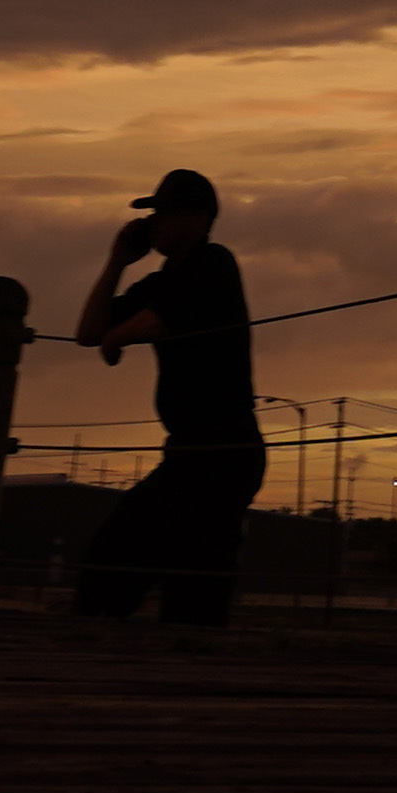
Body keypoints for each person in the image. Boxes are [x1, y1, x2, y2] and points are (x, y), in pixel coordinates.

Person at [70, 170, 263, 627]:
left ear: (198, 218)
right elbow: (87, 332)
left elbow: (155, 323)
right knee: (119, 560)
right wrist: (117, 261)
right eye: (153, 214)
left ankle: (188, 654)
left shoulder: (214, 264)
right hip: (190, 450)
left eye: (165, 212)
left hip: (224, 447)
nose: (155, 222)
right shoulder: (158, 282)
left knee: (192, 583)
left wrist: (116, 340)